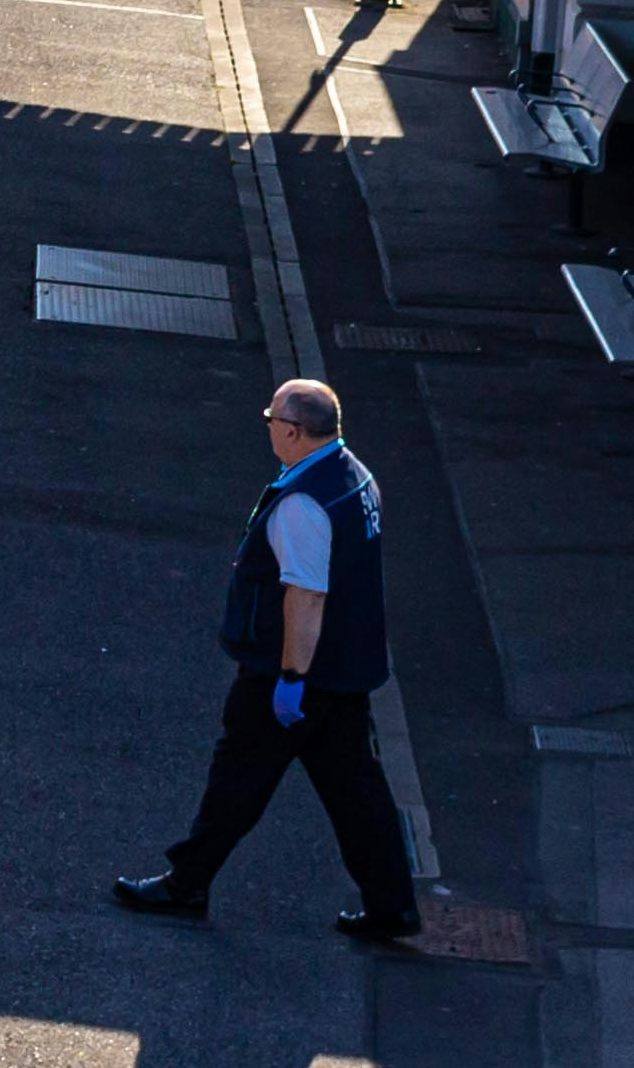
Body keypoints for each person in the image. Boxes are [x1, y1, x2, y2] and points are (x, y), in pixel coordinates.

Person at [112, 376, 422, 944]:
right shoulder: (354, 476)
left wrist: (289, 679)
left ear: (294, 430)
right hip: (348, 670)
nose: (269, 429)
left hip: (293, 670)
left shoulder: (304, 504)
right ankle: (392, 905)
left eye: (272, 420)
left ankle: (187, 883)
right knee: (357, 791)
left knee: (238, 778)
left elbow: (305, 598)